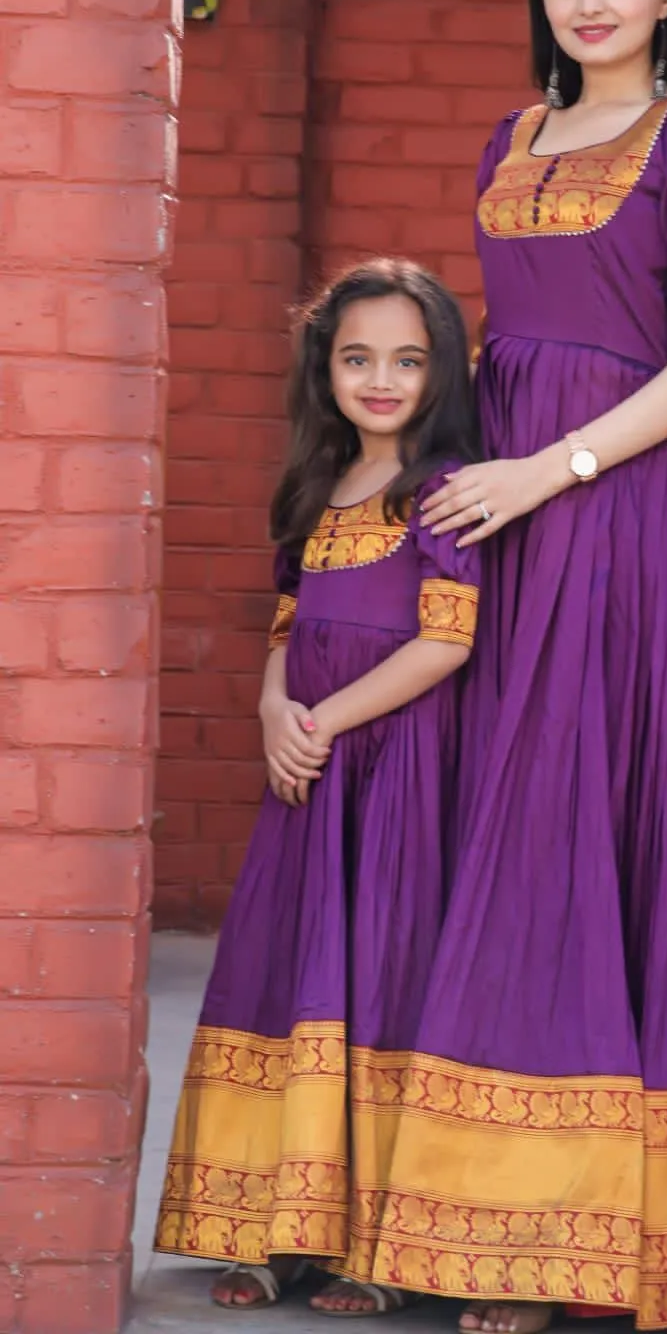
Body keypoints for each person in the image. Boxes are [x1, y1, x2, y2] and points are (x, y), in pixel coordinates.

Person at [361, 0, 667, 1331]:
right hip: (500, 506)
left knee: (584, 815)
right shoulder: (511, 137)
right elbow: (499, 338)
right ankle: (475, 1219)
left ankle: (582, 1248)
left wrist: (548, 471)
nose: (589, 3)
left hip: (619, 515)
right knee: (492, 806)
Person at [154, 259, 482, 1318]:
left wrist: (324, 722)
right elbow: (287, 631)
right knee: (290, 975)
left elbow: (445, 642)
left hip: (395, 774)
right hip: (306, 778)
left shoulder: (442, 489)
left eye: (405, 359)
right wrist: (269, 712)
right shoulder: (312, 487)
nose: (379, 379)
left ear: (440, 372)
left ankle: (373, 1250)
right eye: (356, 358)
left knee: (379, 980)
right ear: (324, 368)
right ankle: (265, 1226)